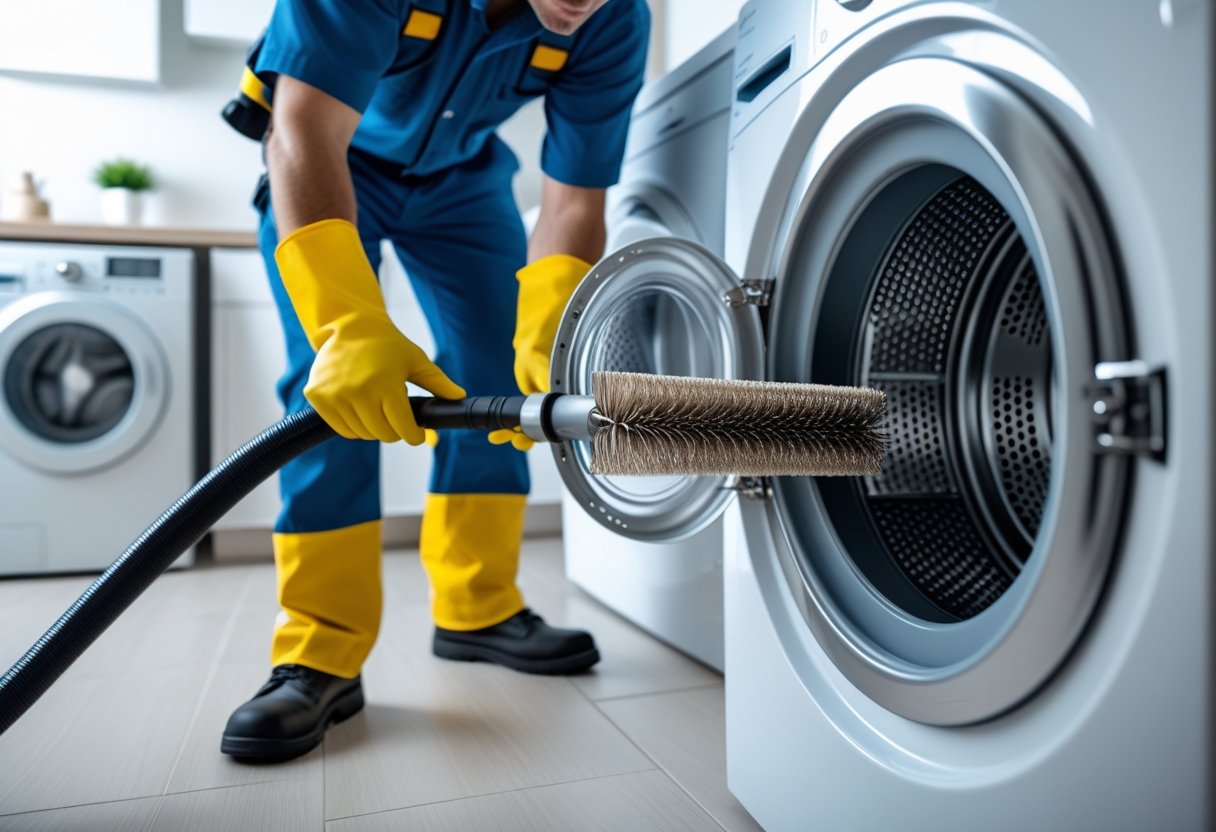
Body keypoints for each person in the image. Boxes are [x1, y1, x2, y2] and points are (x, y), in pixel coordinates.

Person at [219, 0, 649, 761]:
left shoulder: (613, 20)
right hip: (329, 165)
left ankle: (477, 609)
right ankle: (319, 650)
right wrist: (347, 326)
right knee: (331, 396)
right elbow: (302, 127)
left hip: (463, 183)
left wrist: (555, 321)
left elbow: (576, 199)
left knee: (497, 382)